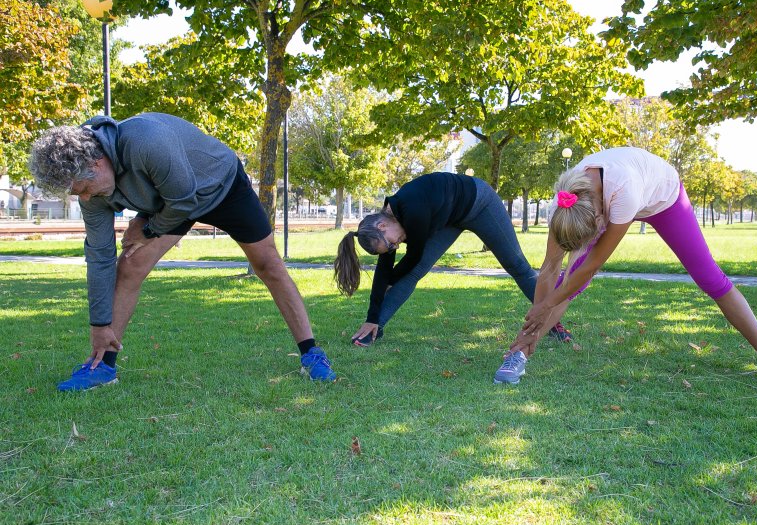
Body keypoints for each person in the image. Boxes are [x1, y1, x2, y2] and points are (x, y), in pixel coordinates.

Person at [29, 112, 336, 391]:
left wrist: (147, 228)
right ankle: (102, 366)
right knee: (130, 265)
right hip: (171, 200)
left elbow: (185, 201)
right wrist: (99, 324)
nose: (85, 197)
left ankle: (311, 353)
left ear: (96, 164)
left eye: (83, 188)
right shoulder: (92, 192)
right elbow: (99, 256)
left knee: (268, 264)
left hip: (219, 186)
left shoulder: (147, 142)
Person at [505, 146, 757, 385]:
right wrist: (536, 316)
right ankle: (520, 354)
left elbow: (589, 267)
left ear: (600, 217)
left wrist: (546, 305)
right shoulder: (563, 207)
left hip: (664, 199)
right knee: (565, 281)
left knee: (709, 277)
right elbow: (550, 268)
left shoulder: (624, 192)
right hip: (606, 198)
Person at [333, 171, 573, 384]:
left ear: (383, 227)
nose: (396, 246)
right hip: (451, 217)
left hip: (479, 202)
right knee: (414, 272)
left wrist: (391, 280)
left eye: (392, 243)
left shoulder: (412, 212)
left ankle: (550, 318)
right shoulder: (392, 224)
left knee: (517, 265)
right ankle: (376, 328)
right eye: (392, 248)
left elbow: (412, 258)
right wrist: (372, 316)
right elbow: (384, 270)